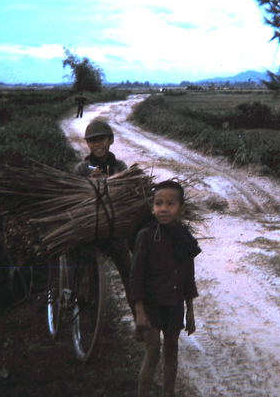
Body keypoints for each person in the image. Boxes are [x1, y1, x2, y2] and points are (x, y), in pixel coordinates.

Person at [130, 180, 200, 397]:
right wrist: (140, 312)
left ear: (181, 208)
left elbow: (188, 276)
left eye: (170, 204)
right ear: (152, 208)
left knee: (172, 350)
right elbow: (136, 277)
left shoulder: (184, 238)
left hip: (175, 305)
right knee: (152, 353)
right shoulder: (147, 236)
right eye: (158, 203)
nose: (163, 208)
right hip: (151, 306)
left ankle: (168, 393)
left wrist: (190, 311)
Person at [73, 119, 133, 312]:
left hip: (113, 228)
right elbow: (73, 198)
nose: (97, 144)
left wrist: (112, 184)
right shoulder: (81, 169)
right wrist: (88, 185)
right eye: (92, 141)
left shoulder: (120, 167)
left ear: (111, 140)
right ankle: (83, 302)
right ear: (88, 144)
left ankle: (138, 317)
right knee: (84, 266)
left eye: (102, 139)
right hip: (89, 229)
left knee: (128, 271)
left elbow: (127, 195)